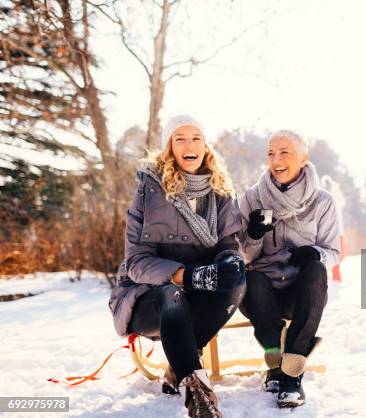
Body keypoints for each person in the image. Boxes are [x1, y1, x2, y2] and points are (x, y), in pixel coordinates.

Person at [108, 115, 245, 418]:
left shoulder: (220, 191)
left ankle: (180, 361)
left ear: (205, 145)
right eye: (180, 138)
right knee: (172, 295)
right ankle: (198, 396)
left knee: (237, 280)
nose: (189, 144)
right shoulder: (149, 189)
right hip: (149, 296)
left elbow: (228, 244)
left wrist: (229, 262)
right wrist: (190, 275)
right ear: (170, 147)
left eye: (196, 137)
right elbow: (136, 262)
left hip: (201, 294)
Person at [238, 130, 340, 408]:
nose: (276, 160)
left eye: (284, 152)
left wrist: (314, 254)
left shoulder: (322, 202)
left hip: (300, 294)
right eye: (271, 153)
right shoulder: (252, 198)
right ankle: (274, 363)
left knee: (317, 271)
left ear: (303, 158)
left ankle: (291, 375)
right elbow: (240, 256)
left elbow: (333, 253)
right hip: (262, 294)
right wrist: (255, 235)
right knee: (251, 277)